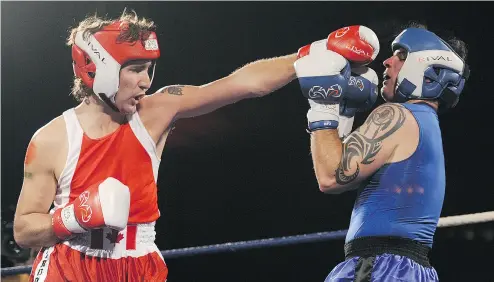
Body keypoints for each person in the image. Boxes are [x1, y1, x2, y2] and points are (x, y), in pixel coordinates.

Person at [12, 9, 301, 282]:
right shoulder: (52, 139)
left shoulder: (155, 112)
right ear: (99, 69)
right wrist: (73, 217)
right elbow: (24, 230)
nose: (145, 82)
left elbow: (243, 84)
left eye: (149, 69)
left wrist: (309, 55)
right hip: (71, 267)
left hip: (140, 266)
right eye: (135, 70)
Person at [295, 24, 469, 281]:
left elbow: (331, 177)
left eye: (400, 55)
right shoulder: (425, 124)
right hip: (410, 269)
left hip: (380, 266)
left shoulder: (395, 115)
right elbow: (340, 166)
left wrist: (323, 102)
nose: (386, 62)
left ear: (425, 65)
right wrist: (343, 113)